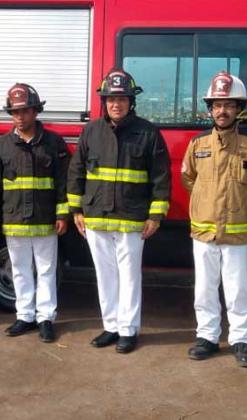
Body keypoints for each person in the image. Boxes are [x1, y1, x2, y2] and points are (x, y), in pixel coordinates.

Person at [68, 69, 170, 353]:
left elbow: (161, 177)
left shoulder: (148, 133)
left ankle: (128, 329)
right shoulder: (91, 131)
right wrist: (76, 210)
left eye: (122, 99)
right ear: (104, 102)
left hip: (132, 217)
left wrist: (155, 215)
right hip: (96, 216)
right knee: (105, 275)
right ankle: (111, 326)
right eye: (111, 99)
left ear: (131, 101)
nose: (117, 104)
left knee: (129, 276)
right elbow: (76, 171)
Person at [181, 72, 247, 367]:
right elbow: (189, 179)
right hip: (204, 233)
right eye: (217, 105)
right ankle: (207, 336)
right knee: (204, 289)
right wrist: (207, 202)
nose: (222, 111)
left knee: (237, 289)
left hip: (237, 233)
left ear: (238, 109)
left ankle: (241, 339)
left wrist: (240, 202)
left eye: (229, 105)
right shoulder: (197, 145)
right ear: (210, 109)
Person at [0, 83, 69, 343]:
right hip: (14, 220)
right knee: (19, 270)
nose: (20, 116)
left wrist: (62, 215)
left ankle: (45, 318)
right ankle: (25, 316)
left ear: (35, 111)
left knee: (46, 270)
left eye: (25, 111)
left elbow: (64, 183)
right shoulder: (2, 146)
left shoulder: (53, 143)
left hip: (45, 221)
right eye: (15, 112)